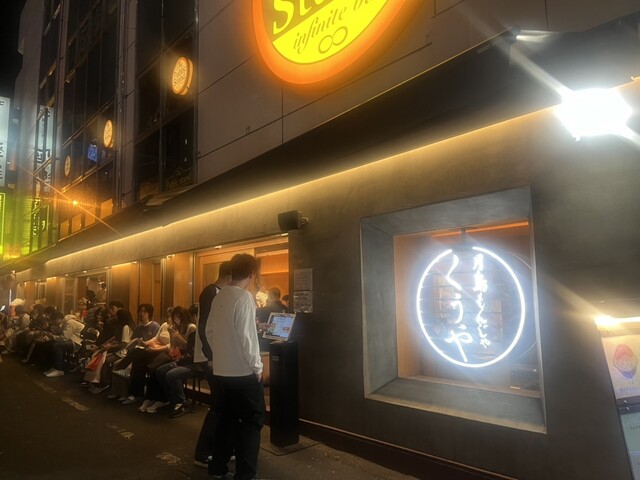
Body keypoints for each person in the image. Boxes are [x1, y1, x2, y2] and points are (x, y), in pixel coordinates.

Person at [205, 253, 265, 480]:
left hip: (221, 373)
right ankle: (245, 475)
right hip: (243, 374)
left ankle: (218, 468)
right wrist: (257, 367)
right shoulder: (245, 297)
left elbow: (209, 332)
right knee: (250, 424)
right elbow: (248, 337)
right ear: (252, 274)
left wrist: (222, 353)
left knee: (225, 420)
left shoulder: (219, 296)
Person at [193, 261, 232, 467]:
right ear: (229, 276)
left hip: (215, 356)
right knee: (218, 405)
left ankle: (219, 448)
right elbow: (204, 326)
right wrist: (211, 356)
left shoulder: (216, 292)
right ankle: (204, 453)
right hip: (210, 357)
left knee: (222, 404)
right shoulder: (212, 292)